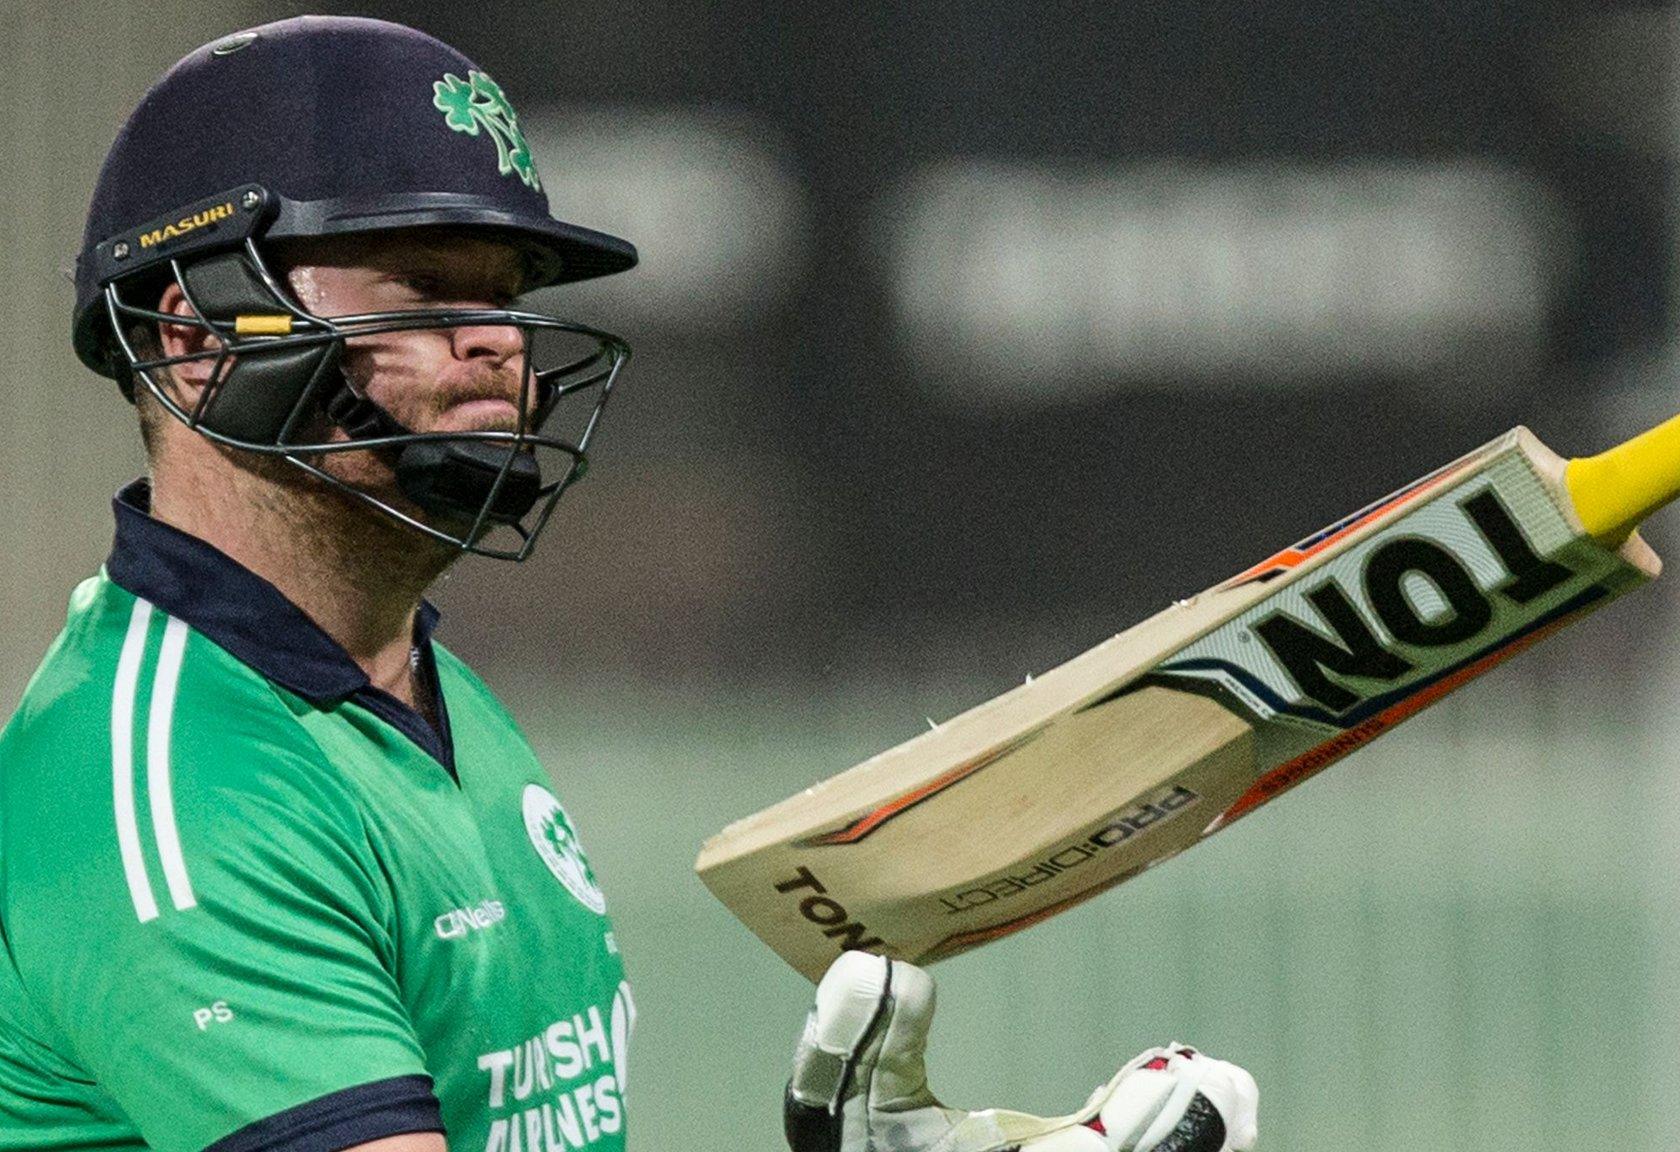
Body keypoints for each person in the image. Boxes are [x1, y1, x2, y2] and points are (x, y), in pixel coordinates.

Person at [0, 16, 1258, 1152]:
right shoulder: (174, 800)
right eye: (421, 287)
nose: (496, 341)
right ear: (194, 335)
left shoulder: (416, 693)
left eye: (501, 297)